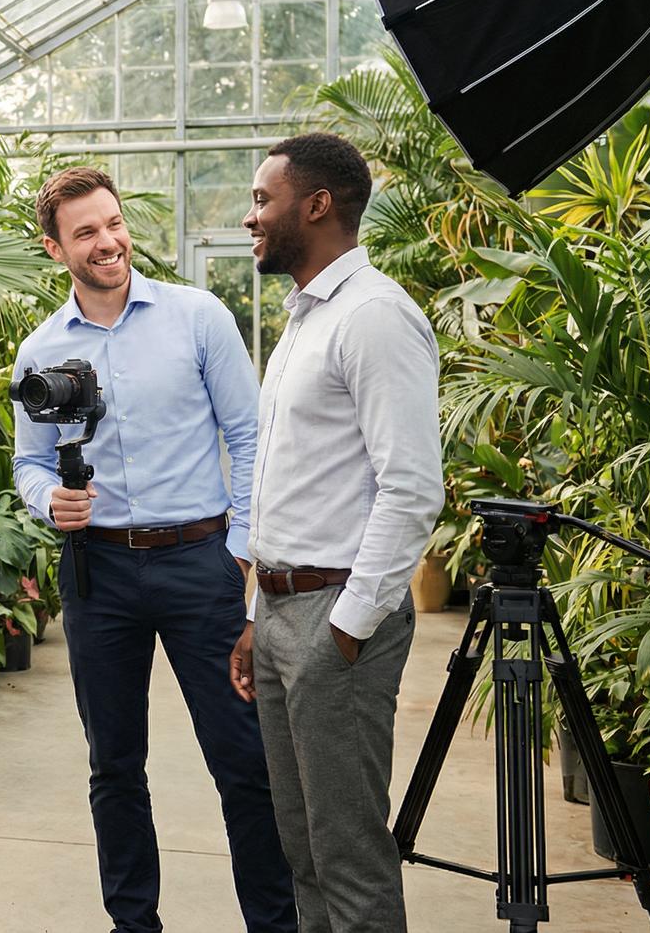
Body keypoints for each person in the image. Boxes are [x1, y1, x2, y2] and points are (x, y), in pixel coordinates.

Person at [12, 166, 297, 933]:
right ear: (55, 247)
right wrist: (52, 500)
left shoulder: (198, 317)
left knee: (243, 759)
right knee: (114, 764)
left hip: (199, 561)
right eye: (85, 232)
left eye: (112, 223)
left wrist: (240, 553)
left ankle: (275, 925)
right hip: (96, 571)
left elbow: (248, 436)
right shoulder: (40, 348)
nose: (107, 241)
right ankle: (134, 923)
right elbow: (29, 462)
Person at [228, 133, 445, 933]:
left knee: (348, 854)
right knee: (304, 849)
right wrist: (259, 615)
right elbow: (288, 485)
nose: (250, 217)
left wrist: (348, 629)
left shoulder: (375, 317)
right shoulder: (306, 319)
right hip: (284, 609)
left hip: (335, 614)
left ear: (316, 205)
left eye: (262, 199)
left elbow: (414, 487)